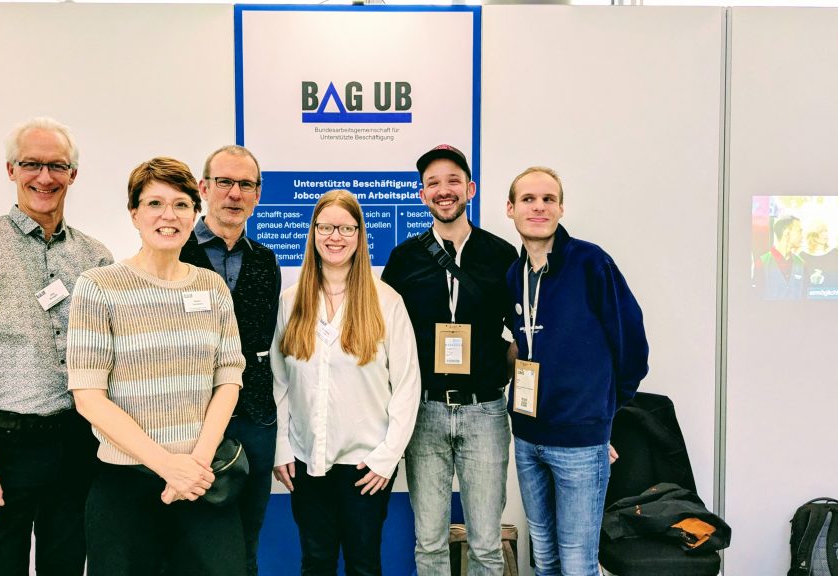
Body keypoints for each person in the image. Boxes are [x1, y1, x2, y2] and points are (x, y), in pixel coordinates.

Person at [0, 116, 112, 575]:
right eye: (31, 164)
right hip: (3, 449)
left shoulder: (95, 257)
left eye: (57, 166)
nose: (44, 177)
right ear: (11, 170)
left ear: (73, 174)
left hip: (76, 445)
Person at [66, 157, 246, 575]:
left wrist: (195, 466)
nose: (169, 215)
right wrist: (167, 466)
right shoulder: (99, 287)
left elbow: (229, 378)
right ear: (134, 214)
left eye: (181, 204)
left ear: (195, 213)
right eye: (154, 204)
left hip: (203, 480)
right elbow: (88, 397)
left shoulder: (212, 287)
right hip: (125, 488)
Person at [505, 166, 648, 576]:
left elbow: (633, 349)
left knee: (577, 563)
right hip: (528, 437)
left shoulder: (591, 263)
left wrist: (600, 415)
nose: (539, 207)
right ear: (510, 209)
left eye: (548, 199)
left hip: (579, 444)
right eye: (528, 199)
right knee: (544, 557)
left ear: (561, 209)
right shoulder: (515, 275)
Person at [381, 144, 518, 575]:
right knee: (429, 543)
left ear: (470, 189)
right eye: (433, 183)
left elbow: (522, 331)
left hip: (485, 412)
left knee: (486, 544)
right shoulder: (403, 259)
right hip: (425, 413)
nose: (444, 190)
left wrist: (500, 373)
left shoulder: (501, 255)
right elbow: (385, 336)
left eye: (453, 181)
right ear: (422, 194)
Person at [271, 190, 420, 576]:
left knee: (364, 565)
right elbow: (279, 382)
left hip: (366, 465)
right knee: (316, 562)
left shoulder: (387, 302)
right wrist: (282, 448)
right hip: (306, 460)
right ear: (313, 232)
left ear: (359, 234)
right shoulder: (291, 302)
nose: (335, 237)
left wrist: (387, 458)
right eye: (325, 227)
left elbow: (407, 385)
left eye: (345, 228)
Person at [178, 145, 281, 576]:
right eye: (224, 182)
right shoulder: (175, 251)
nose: (235, 193)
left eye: (246, 185)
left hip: (254, 420)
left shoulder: (265, 260)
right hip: (188, 421)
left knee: (246, 544)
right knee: (187, 545)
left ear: (258, 195)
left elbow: (264, 343)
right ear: (204, 189)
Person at [755, 215, 806, 299]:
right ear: (787, 233)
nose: (803, 236)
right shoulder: (761, 263)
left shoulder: (801, 264)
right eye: (799, 231)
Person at [801, 220, 838, 290]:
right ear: (812, 235)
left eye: (826, 231)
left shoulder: (834, 253)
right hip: (811, 296)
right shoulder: (803, 256)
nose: (825, 234)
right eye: (820, 232)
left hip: (833, 294)